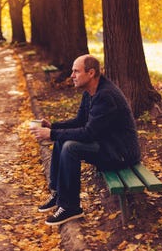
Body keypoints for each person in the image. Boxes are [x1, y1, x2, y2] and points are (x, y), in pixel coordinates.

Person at [30, 54, 141, 226]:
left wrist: (51, 134)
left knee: (70, 147)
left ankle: (71, 207)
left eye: (76, 71)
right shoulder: (90, 92)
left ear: (90, 73)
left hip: (120, 153)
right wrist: (53, 127)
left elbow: (89, 134)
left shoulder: (105, 96)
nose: (71, 75)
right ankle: (59, 193)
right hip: (107, 144)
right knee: (62, 140)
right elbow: (79, 122)